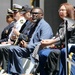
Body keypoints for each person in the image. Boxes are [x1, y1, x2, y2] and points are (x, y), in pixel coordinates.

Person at [6, 7, 53, 74]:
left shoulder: (45, 26)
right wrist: (24, 42)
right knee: (12, 49)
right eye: (32, 13)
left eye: (36, 13)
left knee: (14, 49)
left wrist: (28, 45)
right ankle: (16, 72)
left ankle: (19, 72)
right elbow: (28, 37)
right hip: (30, 49)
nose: (33, 15)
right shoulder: (33, 25)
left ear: (42, 15)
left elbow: (43, 43)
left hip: (37, 50)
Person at [38, 3, 75, 75]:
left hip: (66, 47)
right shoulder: (63, 24)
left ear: (68, 11)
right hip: (61, 46)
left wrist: (53, 43)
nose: (60, 12)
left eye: (63, 10)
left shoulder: (71, 23)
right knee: (42, 53)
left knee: (62, 51)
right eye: (60, 10)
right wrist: (51, 42)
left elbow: (67, 39)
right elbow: (58, 37)